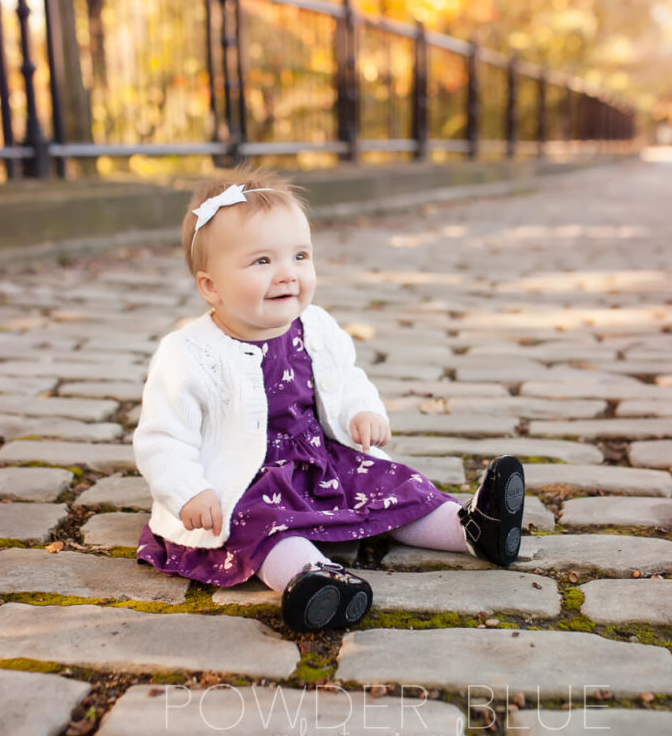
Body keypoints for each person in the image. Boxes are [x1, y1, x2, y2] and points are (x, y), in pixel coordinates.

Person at [134, 166, 525, 633]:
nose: (287, 274)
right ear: (210, 286)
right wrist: (188, 491)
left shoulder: (316, 326)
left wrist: (363, 412)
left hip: (322, 460)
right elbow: (163, 437)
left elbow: (347, 379)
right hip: (245, 479)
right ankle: (312, 579)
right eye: (262, 262)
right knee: (261, 524)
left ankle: (473, 529)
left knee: (389, 483)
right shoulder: (188, 354)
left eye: (300, 256)